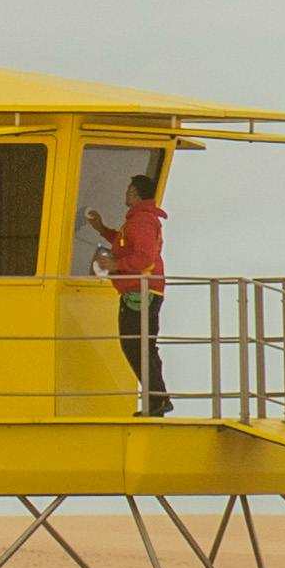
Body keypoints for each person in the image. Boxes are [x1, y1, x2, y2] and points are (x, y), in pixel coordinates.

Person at [93, 166, 172, 415]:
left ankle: (157, 400)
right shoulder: (142, 220)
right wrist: (102, 229)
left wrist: (115, 265)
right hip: (145, 291)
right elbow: (126, 244)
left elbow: (144, 257)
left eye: (129, 190)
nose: (125, 194)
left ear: (136, 194)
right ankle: (156, 400)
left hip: (140, 292)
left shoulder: (140, 221)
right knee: (143, 346)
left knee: (136, 346)